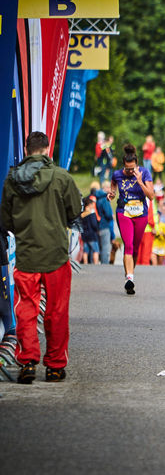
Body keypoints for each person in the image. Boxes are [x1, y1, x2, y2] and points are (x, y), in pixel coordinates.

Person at [1, 132, 82, 383]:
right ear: (47, 149)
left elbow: (5, 220)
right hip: (56, 254)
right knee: (57, 311)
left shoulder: (12, 180)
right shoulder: (61, 177)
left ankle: (27, 362)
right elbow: (75, 211)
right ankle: (55, 366)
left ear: (27, 150)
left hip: (26, 254)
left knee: (25, 309)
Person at [109, 144, 155, 295]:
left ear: (137, 165)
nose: (130, 172)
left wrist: (140, 181)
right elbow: (113, 186)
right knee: (128, 245)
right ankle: (130, 277)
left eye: (133, 169)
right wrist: (112, 194)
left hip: (141, 214)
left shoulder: (145, 172)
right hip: (124, 212)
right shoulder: (117, 174)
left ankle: (130, 274)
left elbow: (151, 196)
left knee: (135, 248)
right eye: (128, 169)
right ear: (124, 166)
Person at [95, 180, 115, 264]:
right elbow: (108, 213)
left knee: (100, 246)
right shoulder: (104, 199)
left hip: (98, 225)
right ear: (106, 188)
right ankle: (104, 265)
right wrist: (112, 216)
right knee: (105, 247)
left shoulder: (97, 197)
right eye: (109, 187)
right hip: (105, 225)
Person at [81, 196, 100, 264]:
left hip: (84, 234)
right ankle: (96, 263)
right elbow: (94, 224)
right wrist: (97, 229)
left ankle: (85, 263)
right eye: (92, 204)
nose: (93, 206)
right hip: (92, 234)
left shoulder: (82, 214)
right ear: (89, 205)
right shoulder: (91, 213)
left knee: (86, 251)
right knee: (96, 250)